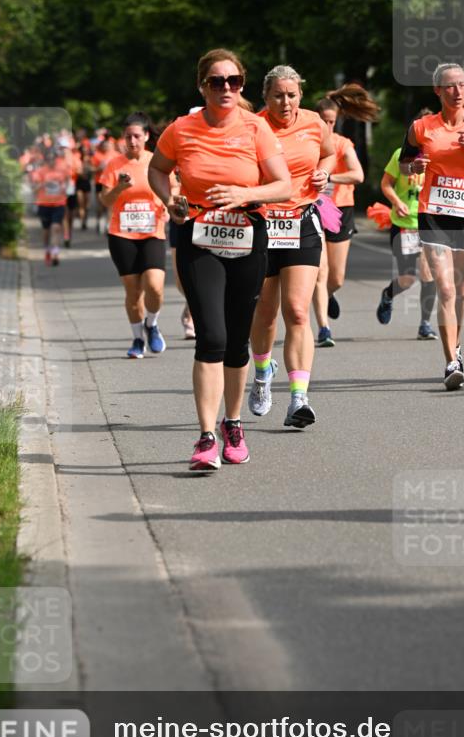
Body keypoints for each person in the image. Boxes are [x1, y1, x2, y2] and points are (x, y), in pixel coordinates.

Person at [148, 48, 291, 470]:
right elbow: (157, 169)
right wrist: (169, 199)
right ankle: (206, 436)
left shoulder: (256, 128)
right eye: (216, 81)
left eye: (234, 81)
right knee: (211, 334)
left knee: (236, 337)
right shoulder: (181, 129)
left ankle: (234, 424)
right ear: (202, 86)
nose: (226, 88)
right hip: (200, 237)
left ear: (242, 85)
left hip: (248, 237)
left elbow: (282, 185)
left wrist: (246, 194)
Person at [402, 62, 464, 390]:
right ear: (437, 91)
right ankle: (450, 362)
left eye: (461, 85)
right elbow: (405, 165)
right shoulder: (421, 128)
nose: (458, 91)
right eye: (450, 86)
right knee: (445, 289)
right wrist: (413, 165)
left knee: (460, 291)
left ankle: (456, 348)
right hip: (433, 213)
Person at [247, 65, 335, 427]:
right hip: (263, 224)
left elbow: (328, 153)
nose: (286, 102)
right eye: (279, 95)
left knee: (298, 311)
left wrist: (324, 172)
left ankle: (299, 398)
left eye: (292, 94)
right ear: (266, 97)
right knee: (265, 315)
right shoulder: (252, 127)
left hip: (301, 221)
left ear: (301, 94)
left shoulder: (315, 122)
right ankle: (263, 372)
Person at [99, 112, 169, 358]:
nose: (132, 141)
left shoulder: (157, 162)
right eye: (128, 136)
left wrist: (169, 206)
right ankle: (138, 339)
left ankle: (152, 324)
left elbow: (172, 189)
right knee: (132, 293)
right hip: (122, 235)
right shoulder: (114, 165)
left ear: (147, 136)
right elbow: (105, 200)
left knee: (155, 286)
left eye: (137, 136)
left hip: (152, 233)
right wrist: (119, 187)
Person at [376, 109, 438, 340]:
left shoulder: (439, 154)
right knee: (407, 279)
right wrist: (397, 201)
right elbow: (386, 184)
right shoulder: (401, 155)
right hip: (405, 223)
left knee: (429, 275)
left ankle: (425, 324)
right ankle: (388, 294)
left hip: (429, 223)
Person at [311, 93, 367, 346]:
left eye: (332, 121)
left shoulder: (343, 144)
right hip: (315, 208)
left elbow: (358, 175)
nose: (328, 125)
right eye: (323, 120)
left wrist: (330, 178)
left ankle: (327, 294)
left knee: (336, 278)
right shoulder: (308, 143)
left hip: (340, 209)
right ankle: (324, 328)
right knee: (320, 272)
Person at [31, 146, 72, 266]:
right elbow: (34, 189)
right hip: (44, 204)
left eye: (53, 159)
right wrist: (44, 184)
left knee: (56, 228)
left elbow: (68, 180)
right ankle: (47, 250)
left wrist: (66, 187)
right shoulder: (40, 172)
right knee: (46, 231)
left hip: (59, 203)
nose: (51, 161)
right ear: (45, 160)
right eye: (48, 159)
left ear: (56, 159)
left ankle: (55, 253)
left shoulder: (62, 170)